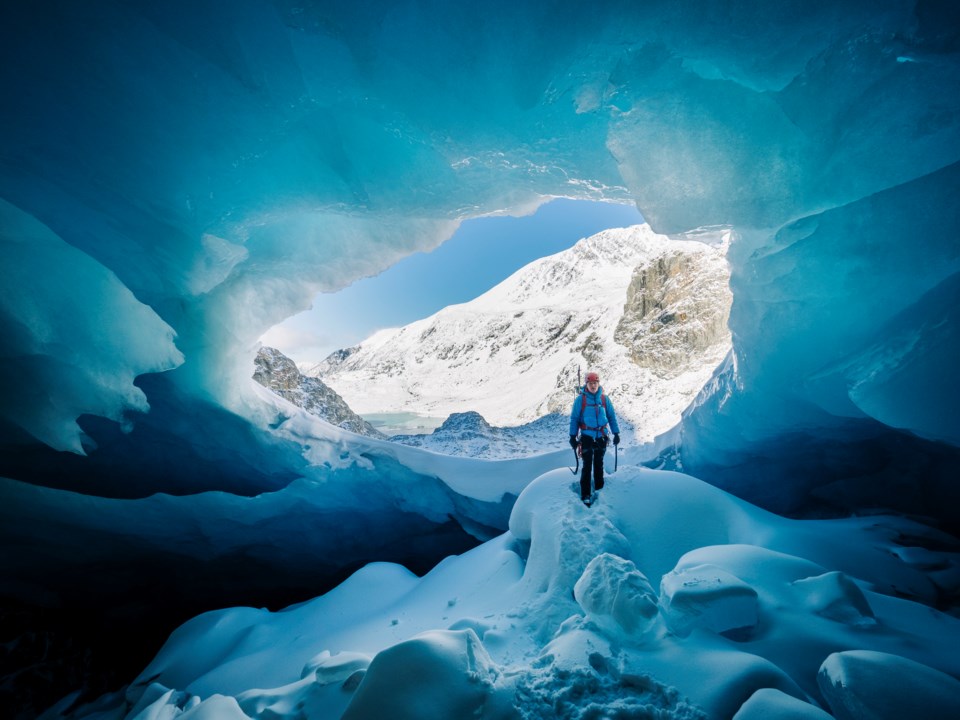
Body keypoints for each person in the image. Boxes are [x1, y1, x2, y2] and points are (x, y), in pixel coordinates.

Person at [569, 371, 620, 506]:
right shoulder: (581, 400)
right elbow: (574, 418)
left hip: (601, 437)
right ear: (587, 384)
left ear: (598, 383)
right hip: (587, 437)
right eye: (590, 383)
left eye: (595, 383)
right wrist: (572, 436)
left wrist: (616, 433)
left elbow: (611, 416)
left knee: (599, 464)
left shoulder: (604, 399)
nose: (593, 386)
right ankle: (585, 494)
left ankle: (599, 489)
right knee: (587, 466)